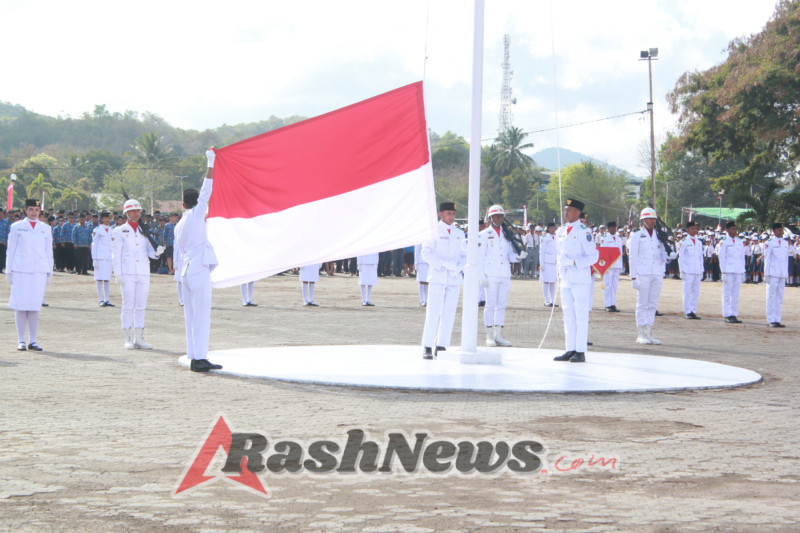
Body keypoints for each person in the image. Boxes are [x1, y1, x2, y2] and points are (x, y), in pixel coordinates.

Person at [174, 149, 222, 372]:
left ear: (182, 205)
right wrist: (211, 162)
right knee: (201, 315)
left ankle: (194, 356)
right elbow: (207, 189)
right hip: (198, 270)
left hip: (185, 270)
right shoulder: (195, 215)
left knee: (190, 315)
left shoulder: (179, 224)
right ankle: (201, 358)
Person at [111, 198, 164, 349]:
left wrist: (157, 252)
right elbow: (116, 254)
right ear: (126, 213)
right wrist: (118, 274)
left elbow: (149, 252)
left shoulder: (144, 230)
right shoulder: (120, 231)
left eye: (138, 211)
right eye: (132, 211)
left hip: (143, 272)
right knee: (128, 305)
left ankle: (139, 338)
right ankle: (128, 338)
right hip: (127, 273)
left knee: (140, 306)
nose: (136, 214)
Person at [552, 199, 598, 363]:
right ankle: (570, 348)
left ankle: (580, 350)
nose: (566, 213)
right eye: (565, 209)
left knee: (580, 314)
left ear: (578, 212)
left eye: (569, 210)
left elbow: (593, 256)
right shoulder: (561, 231)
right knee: (568, 315)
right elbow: (559, 254)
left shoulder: (584, 231)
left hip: (579, 278)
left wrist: (573, 262)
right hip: (565, 278)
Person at [5, 199, 53, 351]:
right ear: (25, 210)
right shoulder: (17, 227)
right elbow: (10, 250)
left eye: (36, 210)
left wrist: (49, 270)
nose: (33, 212)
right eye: (31, 209)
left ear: (40, 211)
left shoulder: (45, 228)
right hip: (20, 270)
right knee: (21, 306)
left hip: (38, 270)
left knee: (34, 307)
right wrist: (8, 270)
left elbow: (48, 251)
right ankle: (21, 340)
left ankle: (33, 340)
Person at [421, 202, 466, 359]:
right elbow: (426, 253)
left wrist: (459, 267)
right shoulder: (433, 231)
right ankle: (427, 345)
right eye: (448, 213)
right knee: (433, 311)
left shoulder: (459, 233)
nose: (451, 216)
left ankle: (442, 345)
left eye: (453, 214)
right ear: (441, 214)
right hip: (438, 276)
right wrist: (443, 264)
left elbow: (464, 255)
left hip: (453, 277)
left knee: (449, 312)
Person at [477, 205, 524, 347]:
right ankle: (489, 335)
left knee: (502, 304)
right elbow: (480, 258)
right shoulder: (484, 234)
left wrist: (519, 257)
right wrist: (481, 278)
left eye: (501, 216)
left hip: (504, 273)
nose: (500, 218)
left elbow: (509, 255)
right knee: (490, 305)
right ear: (490, 218)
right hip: (490, 274)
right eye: (497, 216)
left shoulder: (506, 234)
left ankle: (499, 335)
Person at [628, 207, 677, 344]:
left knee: (653, 304)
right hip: (643, 273)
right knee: (642, 304)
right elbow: (633, 257)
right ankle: (640, 334)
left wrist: (668, 257)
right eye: (649, 218)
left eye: (654, 218)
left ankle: (649, 333)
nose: (652, 221)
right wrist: (633, 277)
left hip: (657, 271)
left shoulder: (659, 235)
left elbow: (661, 254)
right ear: (643, 220)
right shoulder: (636, 235)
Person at [718, 221, 746, 323]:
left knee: (735, 293)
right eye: (732, 229)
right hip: (728, 270)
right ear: (727, 230)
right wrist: (723, 272)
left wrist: (743, 271)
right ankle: (727, 314)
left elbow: (742, 257)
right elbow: (722, 257)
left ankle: (734, 313)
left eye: (735, 228)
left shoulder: (740, 241)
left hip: (738, 270)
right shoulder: (724, 242)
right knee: (727, 293)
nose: (734, 231)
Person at [763, 223, 789, 328]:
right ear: (774, 231)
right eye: (779, 230)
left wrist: (786, 273)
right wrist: (766, 274)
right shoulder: (769, 243)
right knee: (771, 296)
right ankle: (771, 319)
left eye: (781, 230)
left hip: (782, 273)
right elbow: (767, 259)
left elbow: (786, 260)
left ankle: (777, 319)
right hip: (772, 273)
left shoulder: (785, 243)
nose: (781, 232)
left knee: (779, 297)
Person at [678, 221, 704, 319]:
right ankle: (687, 311)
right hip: (687, 270)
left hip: (697, 270)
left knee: (695, 292)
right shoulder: (684, 242)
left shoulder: (699, 242)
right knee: (687, 291)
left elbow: (701, 257)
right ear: (687, 230)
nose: (694, 230)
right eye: (692, 228)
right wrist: (681, 270)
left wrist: (702, 270)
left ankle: (693, 310)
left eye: (695, 228)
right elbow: (681, 257)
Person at [91, 211, 115, 307]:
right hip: (100, 257)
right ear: (101, 219)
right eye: (106, 218)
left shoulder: (112, 230)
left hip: (109, 257)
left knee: (107, 279)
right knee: (99, 279)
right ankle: (100, 299)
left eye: (109, 218)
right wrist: (94, 259)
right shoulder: (97, 230)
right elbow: (94, 245)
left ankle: (107, 299)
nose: (108, 220)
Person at [599, 221, 624, 312]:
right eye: (612, 228)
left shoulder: (618, 238)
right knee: (607, 285)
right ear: (608, 229)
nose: (613, 229)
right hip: (608, 265)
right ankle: (607, 304)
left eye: (614, 228)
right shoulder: (605, 238)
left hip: (617, 264)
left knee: (614, 285)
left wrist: (620, 265)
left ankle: (613, 304)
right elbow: (602, 252)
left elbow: (620, 252)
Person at [539, 222, 558, 307]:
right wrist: (541, 264)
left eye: (554, 228)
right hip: (546, 262)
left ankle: (553, 300)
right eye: (551, 228)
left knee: (553, 282)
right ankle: (546, 300)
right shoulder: (544, 237)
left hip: (554, 262)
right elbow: (541, 251)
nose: (553, 229)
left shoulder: (556, 237)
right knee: (546, 282)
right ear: (548, 229)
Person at [0, 209, 10, 274]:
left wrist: (7, 241)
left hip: (2, 241)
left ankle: (0, 268)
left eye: (1, 213)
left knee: (2, 256)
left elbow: (8, 232)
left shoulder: (6, 222)